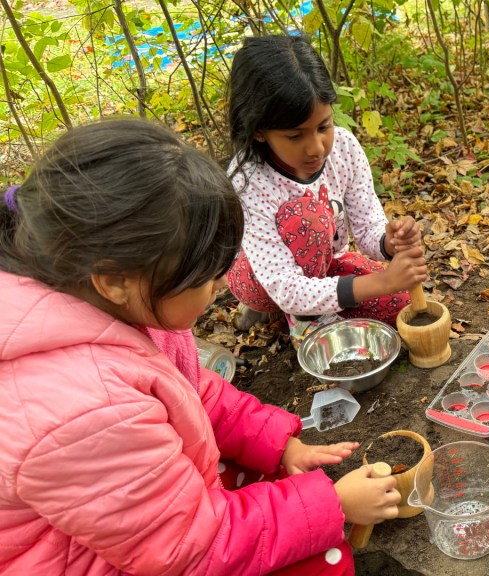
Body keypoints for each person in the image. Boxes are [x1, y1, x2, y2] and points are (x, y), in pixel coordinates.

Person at [0, 119, 401, 576]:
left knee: (285, 486)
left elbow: (188, 391)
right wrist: (334, 506)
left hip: (130, 520)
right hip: (104, 558)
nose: (218, 291)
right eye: (208, 280)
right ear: (114, 281)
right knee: (317, 558)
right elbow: (187, 550)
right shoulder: (84, 409)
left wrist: (277, 443)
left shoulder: (119, 303)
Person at [225, 34, 427, 346]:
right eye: (295, 136)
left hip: (326, 267)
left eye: (324, 127)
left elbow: (367, 226)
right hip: (265, 281)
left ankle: (320, 306)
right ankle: (300, 318)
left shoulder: (344, 147)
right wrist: (380, 280)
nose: (317, 148)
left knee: (400, 303)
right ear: (260, 132)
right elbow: (285, 286)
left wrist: (389, 241)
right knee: (308, 216)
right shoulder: (249, 179)